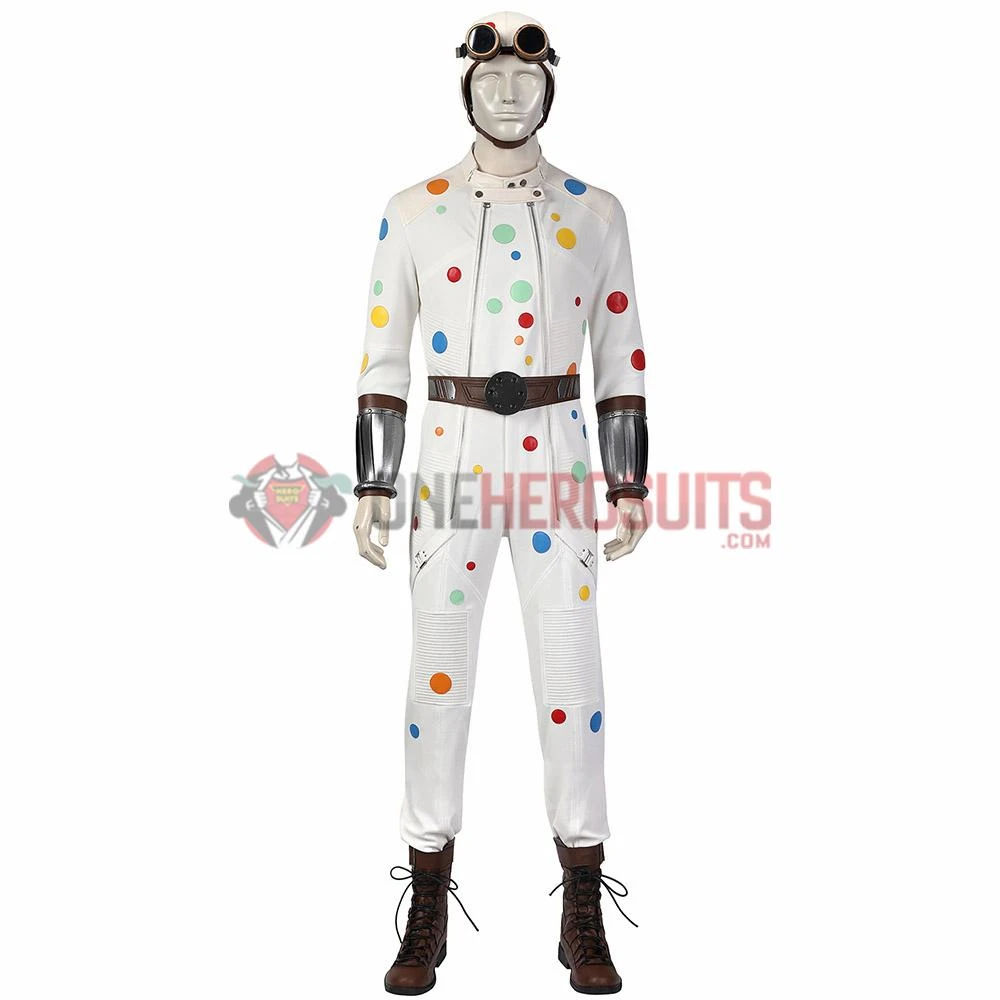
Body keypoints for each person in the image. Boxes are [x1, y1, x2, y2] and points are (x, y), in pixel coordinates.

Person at [353, 13, 648, 994]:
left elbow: (621, 356)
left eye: (526, 76)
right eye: (489, 78)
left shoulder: (597, 213)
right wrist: (374, 482)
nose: (508, 92)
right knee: (436, 682)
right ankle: (427, 896)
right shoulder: (414, 210)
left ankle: (581, 901)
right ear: (464, 88)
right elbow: (384, 357)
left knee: (573, 677)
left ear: (551, 85)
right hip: (450, 462)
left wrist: (629, 481)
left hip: (558, 457)